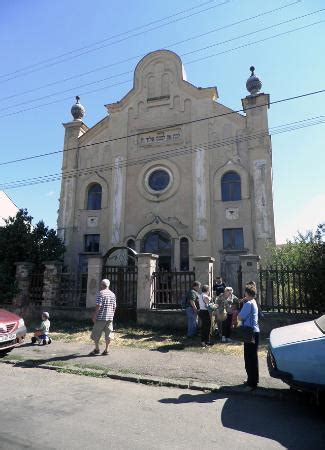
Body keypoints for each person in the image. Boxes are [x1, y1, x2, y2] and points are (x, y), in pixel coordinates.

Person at [238, 285, 260, 390]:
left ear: (247, 293)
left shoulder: (248, 304)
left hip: (249, 332)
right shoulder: (254, 302)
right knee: (253, 357)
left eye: (245, 293)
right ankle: (253, 379)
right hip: (255, 331)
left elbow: (240, 316)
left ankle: (252, 384)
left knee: (249, 358)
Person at [89, 278, 116, 356]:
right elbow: (114, 306)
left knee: (96, 334)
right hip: (110, 318)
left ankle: (97, 349)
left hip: (101, 318)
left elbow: (98, 305)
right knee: (108, 334)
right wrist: (112, 315)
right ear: (108, 285)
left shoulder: (101, 293)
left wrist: (94, 316)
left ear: (102, 285)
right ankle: (107, 349)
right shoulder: (112, 294)